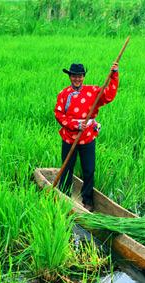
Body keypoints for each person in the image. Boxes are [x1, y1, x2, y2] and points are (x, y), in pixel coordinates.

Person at [54, 62, 119, 212]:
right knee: (67, 168)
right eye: (74, 76)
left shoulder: (93, 91)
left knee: (89, 169)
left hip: (88, 136)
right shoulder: (63, 94)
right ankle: (65, 196)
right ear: (70, 77)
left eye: (80, 76)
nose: (77, 79)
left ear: (83, 77)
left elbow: (109, 95)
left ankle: (87, 200)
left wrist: (114, 75)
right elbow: (59, 114)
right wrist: (75, 125)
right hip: (69, 137)